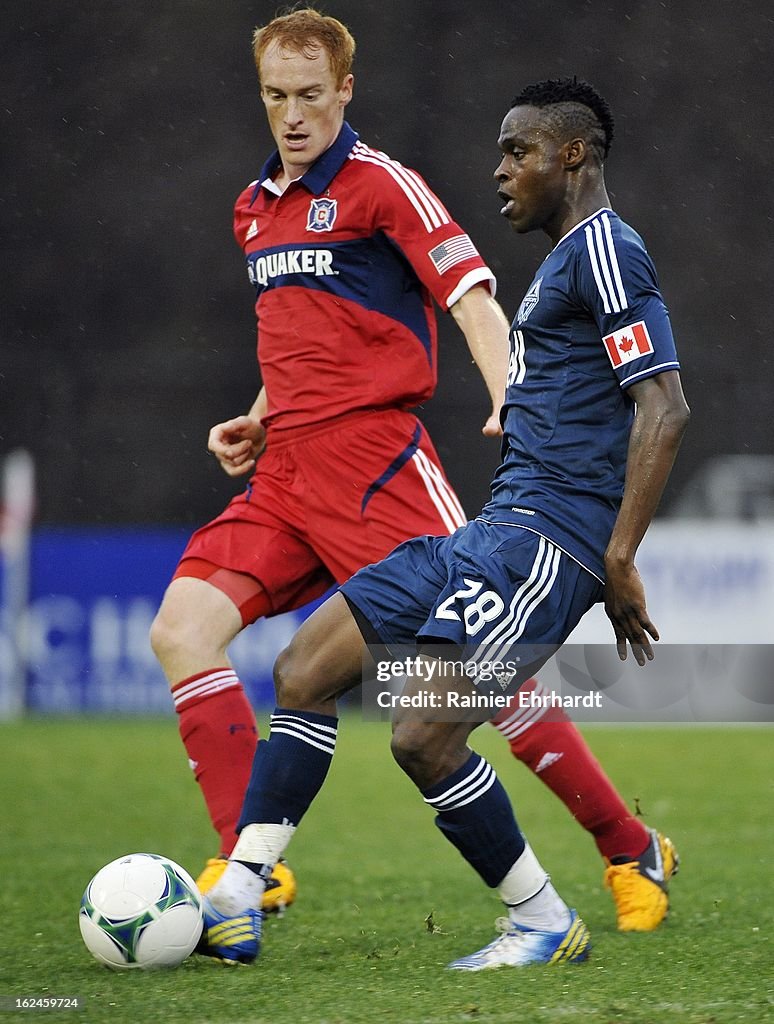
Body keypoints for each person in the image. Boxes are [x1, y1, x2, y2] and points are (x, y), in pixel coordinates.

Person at [150, 9, 676, 930]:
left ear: (344, 91)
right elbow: (310, 332)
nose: (294, 114)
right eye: (277, 96)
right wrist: (261, 417)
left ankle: (626, 844)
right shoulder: (253, 208)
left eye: (311, 95)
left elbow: (471, 295)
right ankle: (247, 870)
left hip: (377, 469)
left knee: (472, 679)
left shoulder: (383, 184)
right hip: (285, 477)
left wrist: (509, 391)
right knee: (181, 631)